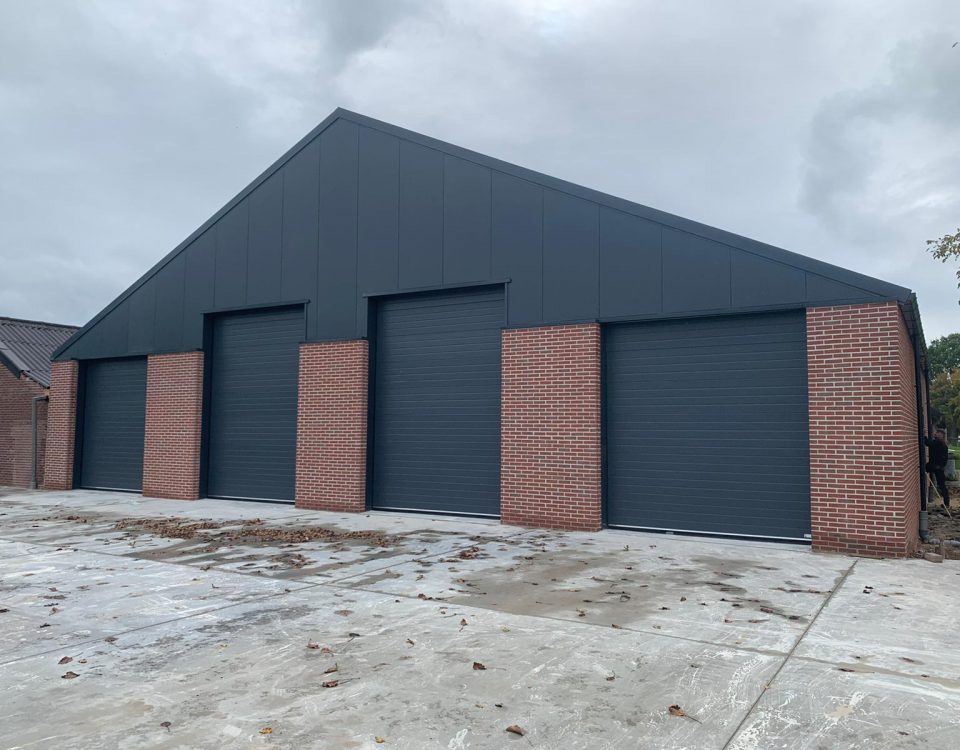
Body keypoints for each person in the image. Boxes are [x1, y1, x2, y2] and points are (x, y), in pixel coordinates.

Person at [925, 429, 951, 509]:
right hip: (938, 467)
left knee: (942, 485)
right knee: (942, 485)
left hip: (936, 466)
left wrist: (923, 436)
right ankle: (946, 503)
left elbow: (928, 443)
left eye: (937, 433)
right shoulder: (942, 443)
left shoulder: (939, 443)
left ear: (941, 435)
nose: (935, 434)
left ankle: (946, 503)